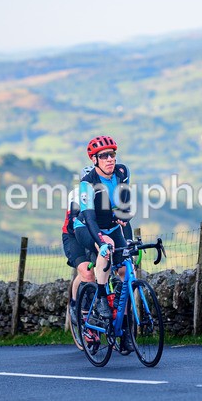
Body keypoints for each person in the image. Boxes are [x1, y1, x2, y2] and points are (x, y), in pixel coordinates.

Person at [72, 136, 134, 351]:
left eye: (113, 154)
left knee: (127, 272)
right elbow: (89, 218)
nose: (110, 159)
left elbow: (125, 207)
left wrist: (123, 219)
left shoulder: (122, 173)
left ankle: (125, 331)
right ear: (94, 159)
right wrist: (101, 239)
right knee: (104, 251)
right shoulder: (87, 184)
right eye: (104, 156)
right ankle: (100, 296)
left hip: (112, 227)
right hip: (86, 228)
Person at [63, 166, 97, 324]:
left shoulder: (105, 191)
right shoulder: (76, 194)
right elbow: (73, 222)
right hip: (74, 233)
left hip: (94, 233)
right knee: (87, 272)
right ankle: (76, 305)